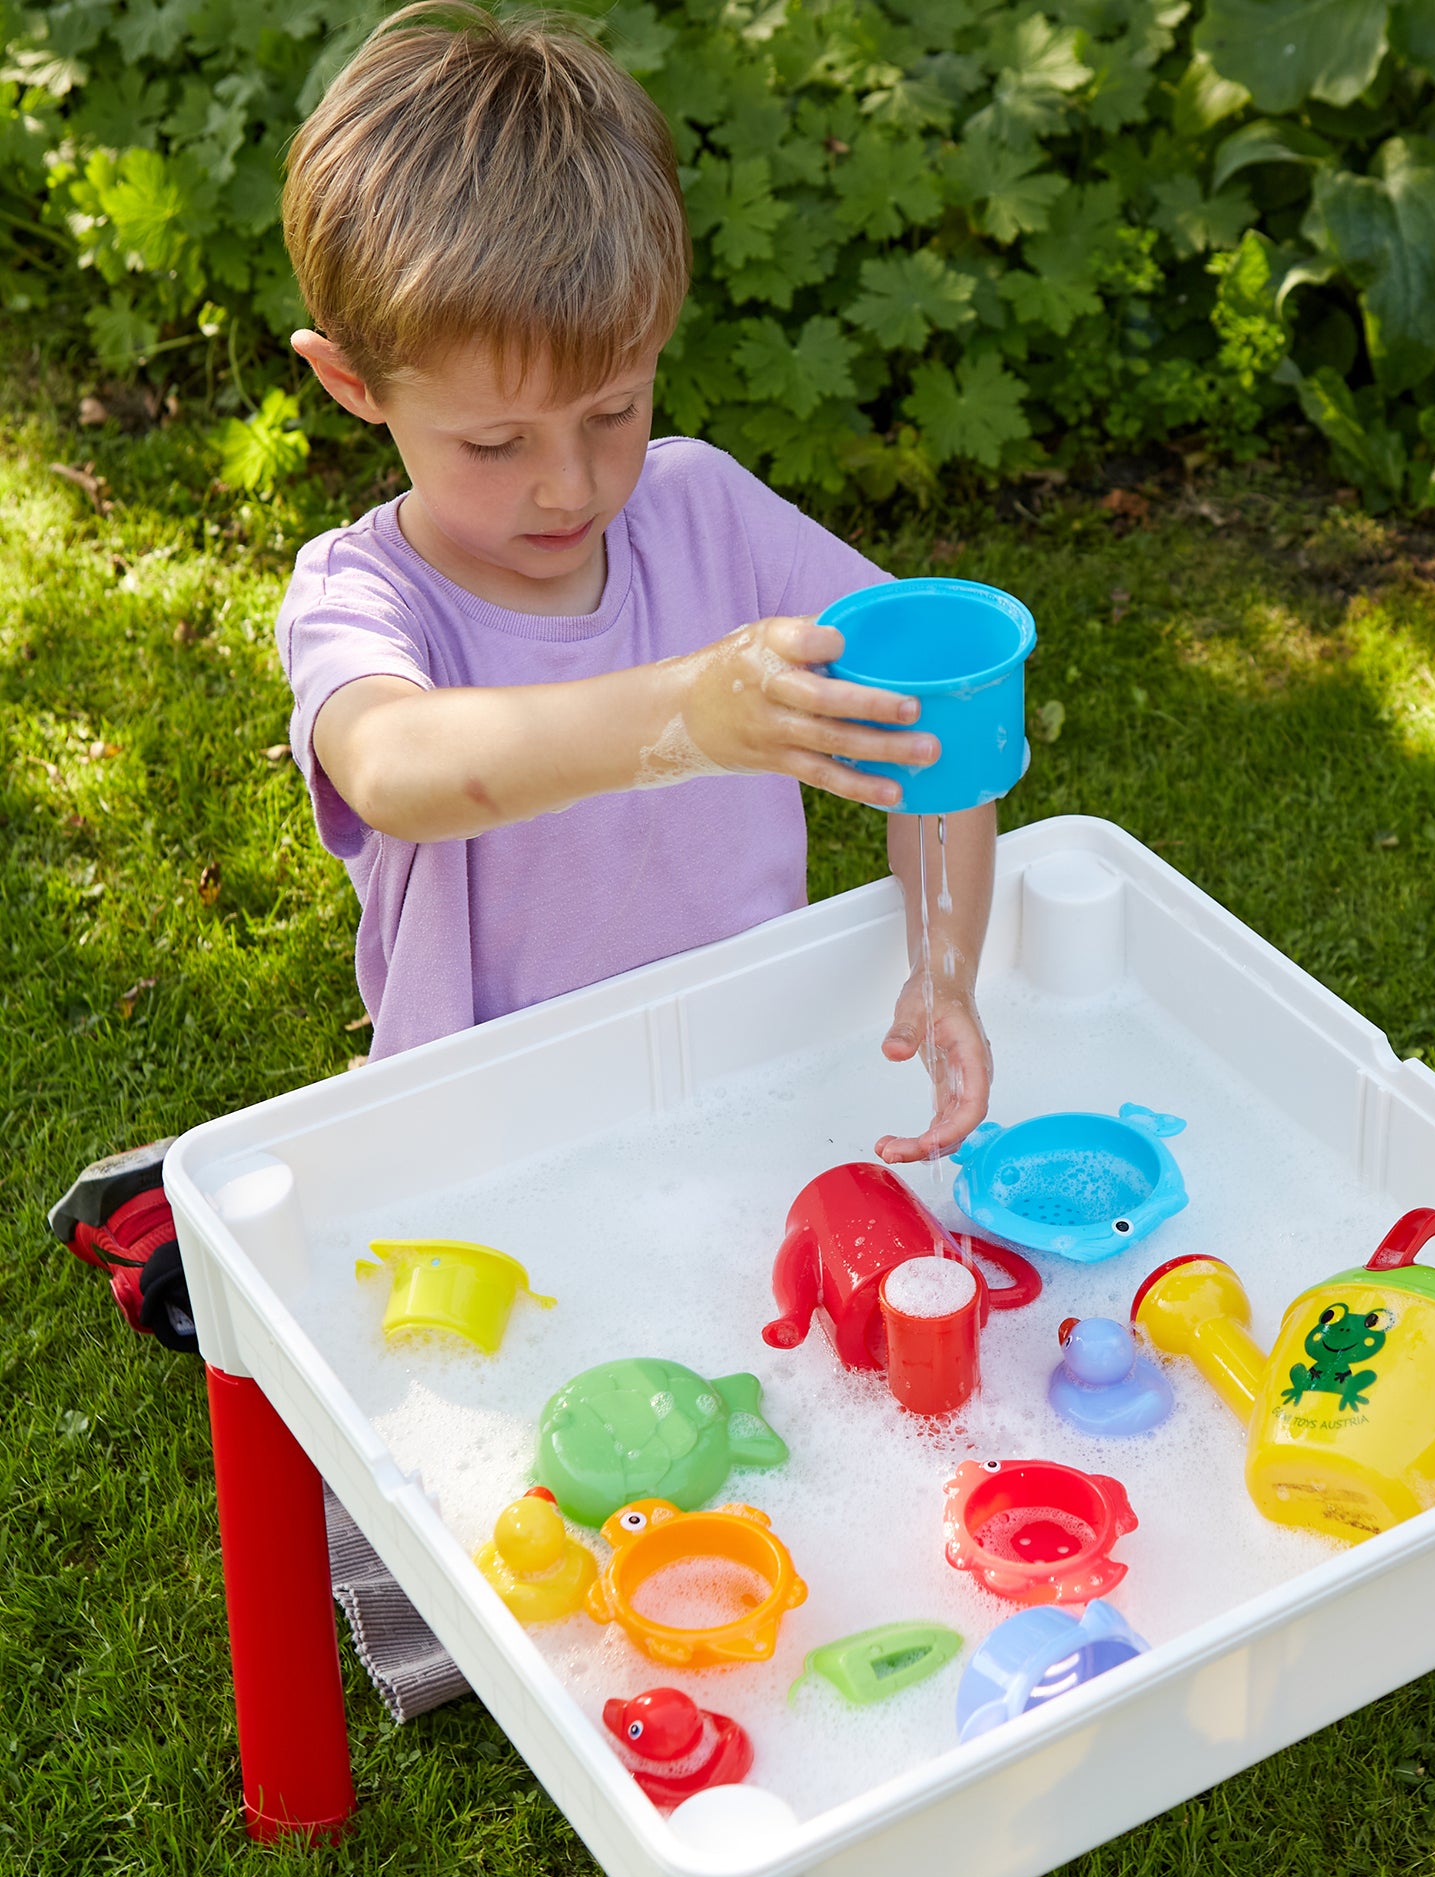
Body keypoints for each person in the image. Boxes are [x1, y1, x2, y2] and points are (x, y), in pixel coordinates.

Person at [52, 3, 997, 1356]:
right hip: (481, 1141)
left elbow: (935, 718)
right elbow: (404, 769)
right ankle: (185, 1226)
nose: (571, 483)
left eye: (613, 409)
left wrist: (943, 961)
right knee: (479, 1475)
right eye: (495, 440)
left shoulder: (707, 512)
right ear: (352, 383)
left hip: (740, 1078)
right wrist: (685, 718)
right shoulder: (364, 597)